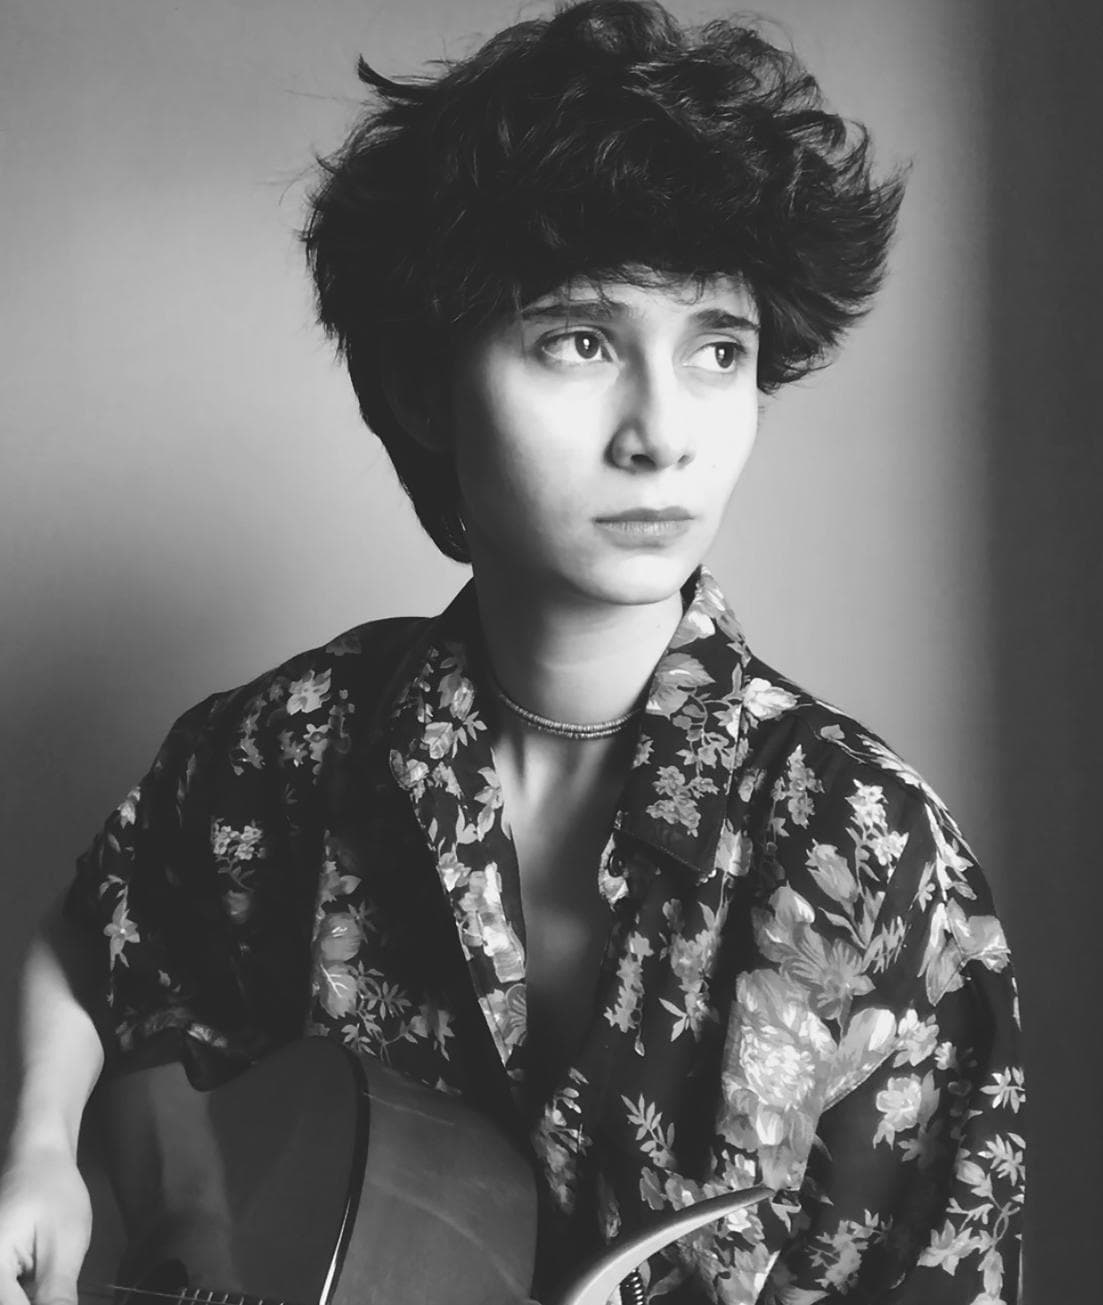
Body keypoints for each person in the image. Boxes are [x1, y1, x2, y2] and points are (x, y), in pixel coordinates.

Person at [0, 2, 1025, 1302]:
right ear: (425, 385)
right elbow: (101, 930)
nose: (662, 434)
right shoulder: (298, 743)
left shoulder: (870, 849)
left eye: (718, 350)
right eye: (580, 342)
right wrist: (40, 1150)